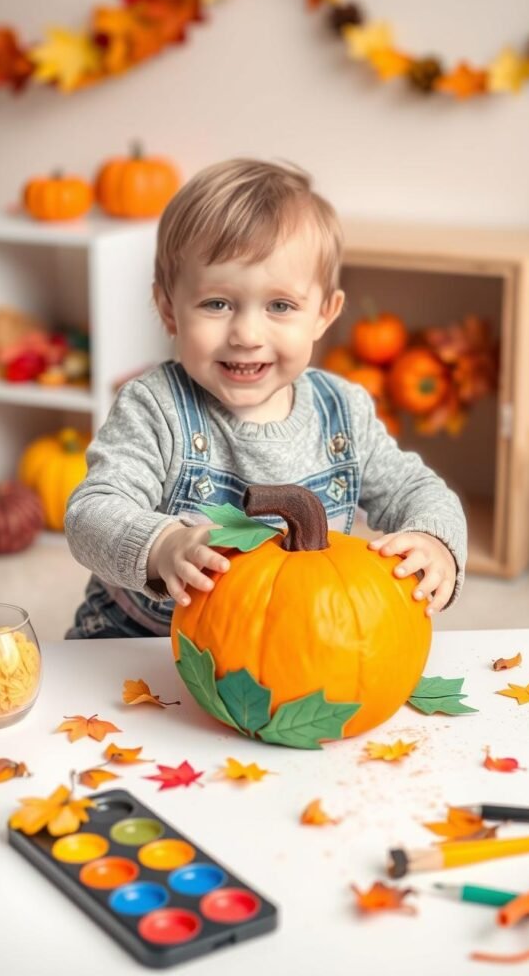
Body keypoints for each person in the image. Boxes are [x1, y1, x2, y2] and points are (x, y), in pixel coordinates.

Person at [65, 158, 467, 639]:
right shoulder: (155, 408)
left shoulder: (343, 412)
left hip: (287, 638)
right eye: (217, 304)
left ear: (324, 314)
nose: (247, 335)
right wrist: (162, 545)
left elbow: (418, 490)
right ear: (168, 308)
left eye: (280, 306)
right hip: (141, 634)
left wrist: (434, 541)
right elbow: (91, 513)